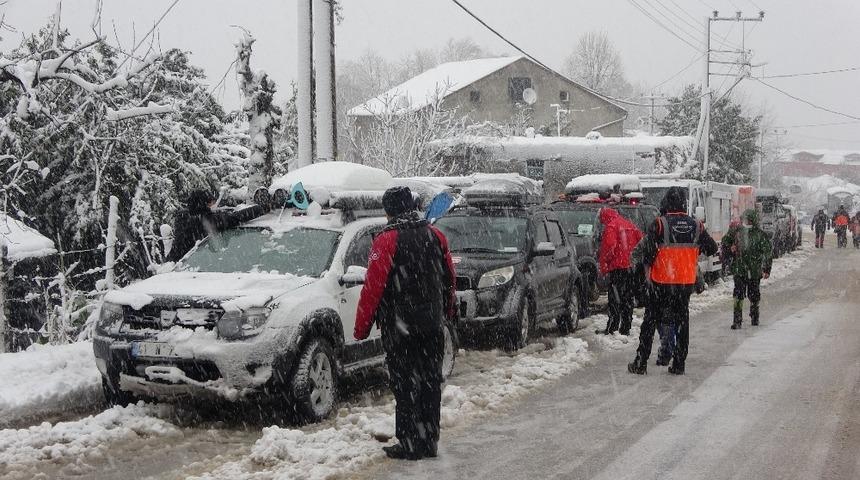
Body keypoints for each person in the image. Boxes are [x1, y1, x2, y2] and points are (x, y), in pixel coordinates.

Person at [354, 186, 456, 460]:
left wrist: (361, 328)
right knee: (430, 382)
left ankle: (410, 443)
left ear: (390, 210)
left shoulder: (387, 240)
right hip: (432, 325)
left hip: (401, 327)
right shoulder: (436, 235)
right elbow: (449, 279)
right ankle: (429, 440)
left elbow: (372, 288)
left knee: (405, 384)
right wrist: (444, 312)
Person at [628, 187, 718, 375]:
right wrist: (693, 253)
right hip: (685, 284)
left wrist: (647, 267)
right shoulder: (697, 225)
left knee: (650, 322)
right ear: (684, 204)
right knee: (682, 323)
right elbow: (712, 248)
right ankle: (679, 363)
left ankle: (641, 362)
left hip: (661, 282)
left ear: (666, 203)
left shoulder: (660, 224)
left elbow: (649, 252)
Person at [167, 189, 267, 262]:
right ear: (205, 204)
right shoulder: (206, 221)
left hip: (175, 264)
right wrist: (263, 208)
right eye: (211, 203)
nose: (213, 206)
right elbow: (235, 218)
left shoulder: (183, 217)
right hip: (188, 266)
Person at [722, 209, 773, 329]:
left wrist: (766, 268)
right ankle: (737, 319)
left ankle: (755, 315)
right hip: (739, 269)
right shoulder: (736, 232)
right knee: (738, 294)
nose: (747, 222)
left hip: (754, 271)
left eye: (750, 220)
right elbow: (725, 242)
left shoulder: (760, 235)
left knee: (754, 294)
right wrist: (730, 248)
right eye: (746, 220)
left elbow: (767, 252)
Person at [596, 207, 643, 336]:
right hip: (631, 268)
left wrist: (605, 265)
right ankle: (626, 327)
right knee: (627, 298)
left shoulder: (611, 227)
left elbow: (609, 247)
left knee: (615, 299)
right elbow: (641, 241)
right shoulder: (629, 224)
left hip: (617, 268)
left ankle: (613, 327)